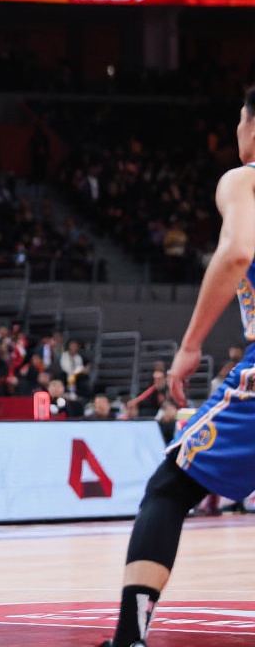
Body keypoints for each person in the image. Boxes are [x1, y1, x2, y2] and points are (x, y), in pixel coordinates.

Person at [99, 86, 255, 647]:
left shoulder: (245, 178)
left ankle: (129, 638)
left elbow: (237, 251)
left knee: (168, 489)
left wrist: (190, 344)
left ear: (252, 127)